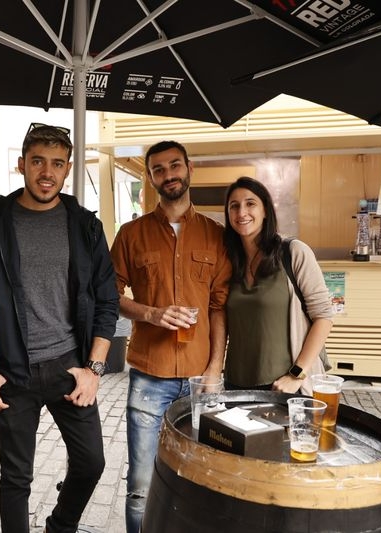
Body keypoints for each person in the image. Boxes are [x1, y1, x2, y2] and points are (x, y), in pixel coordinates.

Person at [0, 123, 119, 533]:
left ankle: (61, 526)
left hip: (67, 368)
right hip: (12, 373)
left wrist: (93, 370)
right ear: (21, 164)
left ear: (68, 168)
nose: (46, 172)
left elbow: (107, 300)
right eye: (37, 161)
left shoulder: (85, 225)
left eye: (57, 163)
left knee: (92, 462)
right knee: (16, 478)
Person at [109, 140, 231, 533]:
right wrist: (151, 314)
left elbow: (218, 307)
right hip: (149, 375)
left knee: (202, 480)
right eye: (159, 169)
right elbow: (109, 296)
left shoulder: (216, 235)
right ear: (151, 178)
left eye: (174, 165)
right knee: (141, 486)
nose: (168, 175)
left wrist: (214, 369)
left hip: (201, 379)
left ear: (189, 168)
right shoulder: (131, 234)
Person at [222, 176, 333, 395]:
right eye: (234, 206)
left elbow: (324, 317)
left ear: (266, 210)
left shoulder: (293, 252)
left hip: (285, 386)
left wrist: (296, 374)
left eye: (250, 203)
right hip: (236, 384)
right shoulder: (228, 261)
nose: (241, 212)